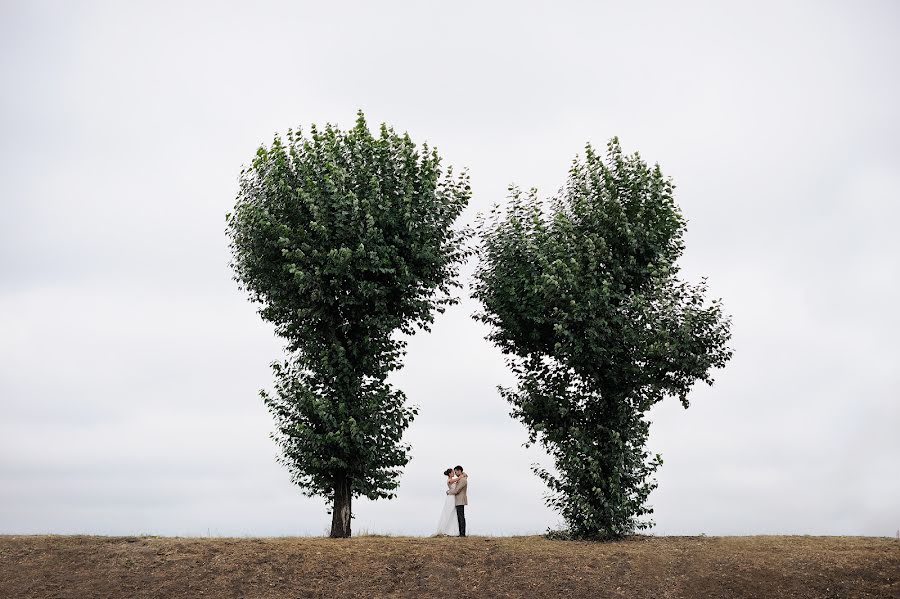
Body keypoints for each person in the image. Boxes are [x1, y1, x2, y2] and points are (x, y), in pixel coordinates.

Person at [435, 468, 460, 536]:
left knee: (453, 513)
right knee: (449, 512)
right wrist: (460, 476)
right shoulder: (449, 480)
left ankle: (451, 531)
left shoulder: (452, 480)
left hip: (453, 497)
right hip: (450, 498)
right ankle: (444, 530)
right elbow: (455, 480)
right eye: (452, 472)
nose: (454, 473)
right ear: (449, 474)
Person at [446, 465, 468, 537]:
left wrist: (449, 492)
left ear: (459, 471)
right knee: (459, 516)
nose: (455, 473)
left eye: (455, 472)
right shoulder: (460, 478)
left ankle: (462, 534)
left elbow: (457, 490)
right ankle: (460, 533)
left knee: (461, 517)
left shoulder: (463, 480)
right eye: (454, 472)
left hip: (460, 500)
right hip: (456, 500)